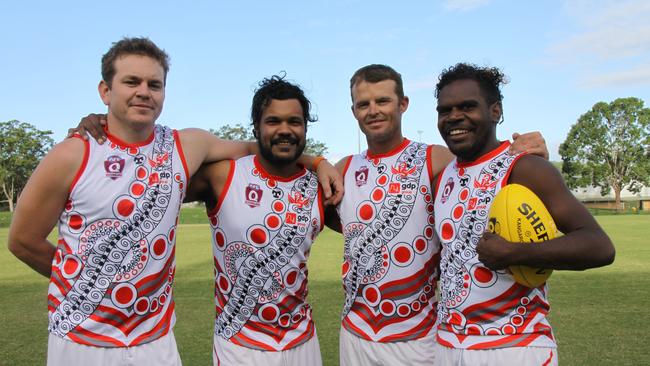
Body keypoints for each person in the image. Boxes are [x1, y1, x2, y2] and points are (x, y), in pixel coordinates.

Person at [7, 37, 341, 366]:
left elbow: (262, 147)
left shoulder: (185, 146)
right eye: (131, 81)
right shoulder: (74, 152)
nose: (144, 91)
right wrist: (87, 285)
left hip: (156, 340)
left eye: (154, 84)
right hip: (79, 337)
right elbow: (22, 241)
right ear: (105, 91)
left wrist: (317, 162)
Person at [330, 64, 549, 366]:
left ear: (403, 104)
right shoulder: (343, 168)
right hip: (355, 333)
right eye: (363, 104)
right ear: (353, 111)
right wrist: (314, 161)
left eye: (383, 101)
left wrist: (525, 152)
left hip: (421, 336)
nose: (373, 111)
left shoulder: (436, 159)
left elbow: (487, 170)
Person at [432, 63, 615, 366]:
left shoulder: (525, 168)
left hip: (515, 346)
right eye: (444, 110)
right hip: (448, 345)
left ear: (495, 111)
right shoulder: (443, 178)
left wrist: (515, 252)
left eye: (467, 106)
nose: (454, 117)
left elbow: (599, 246)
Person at [185, 75, 335, 366]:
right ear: (256, 126)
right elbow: (158, 180)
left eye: (294, 121)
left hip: (301, 343)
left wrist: (318, 162)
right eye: (273, 121)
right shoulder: (223, 176)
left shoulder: (320, 186)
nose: (284, 130)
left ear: (305, 126)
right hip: (238, 345)